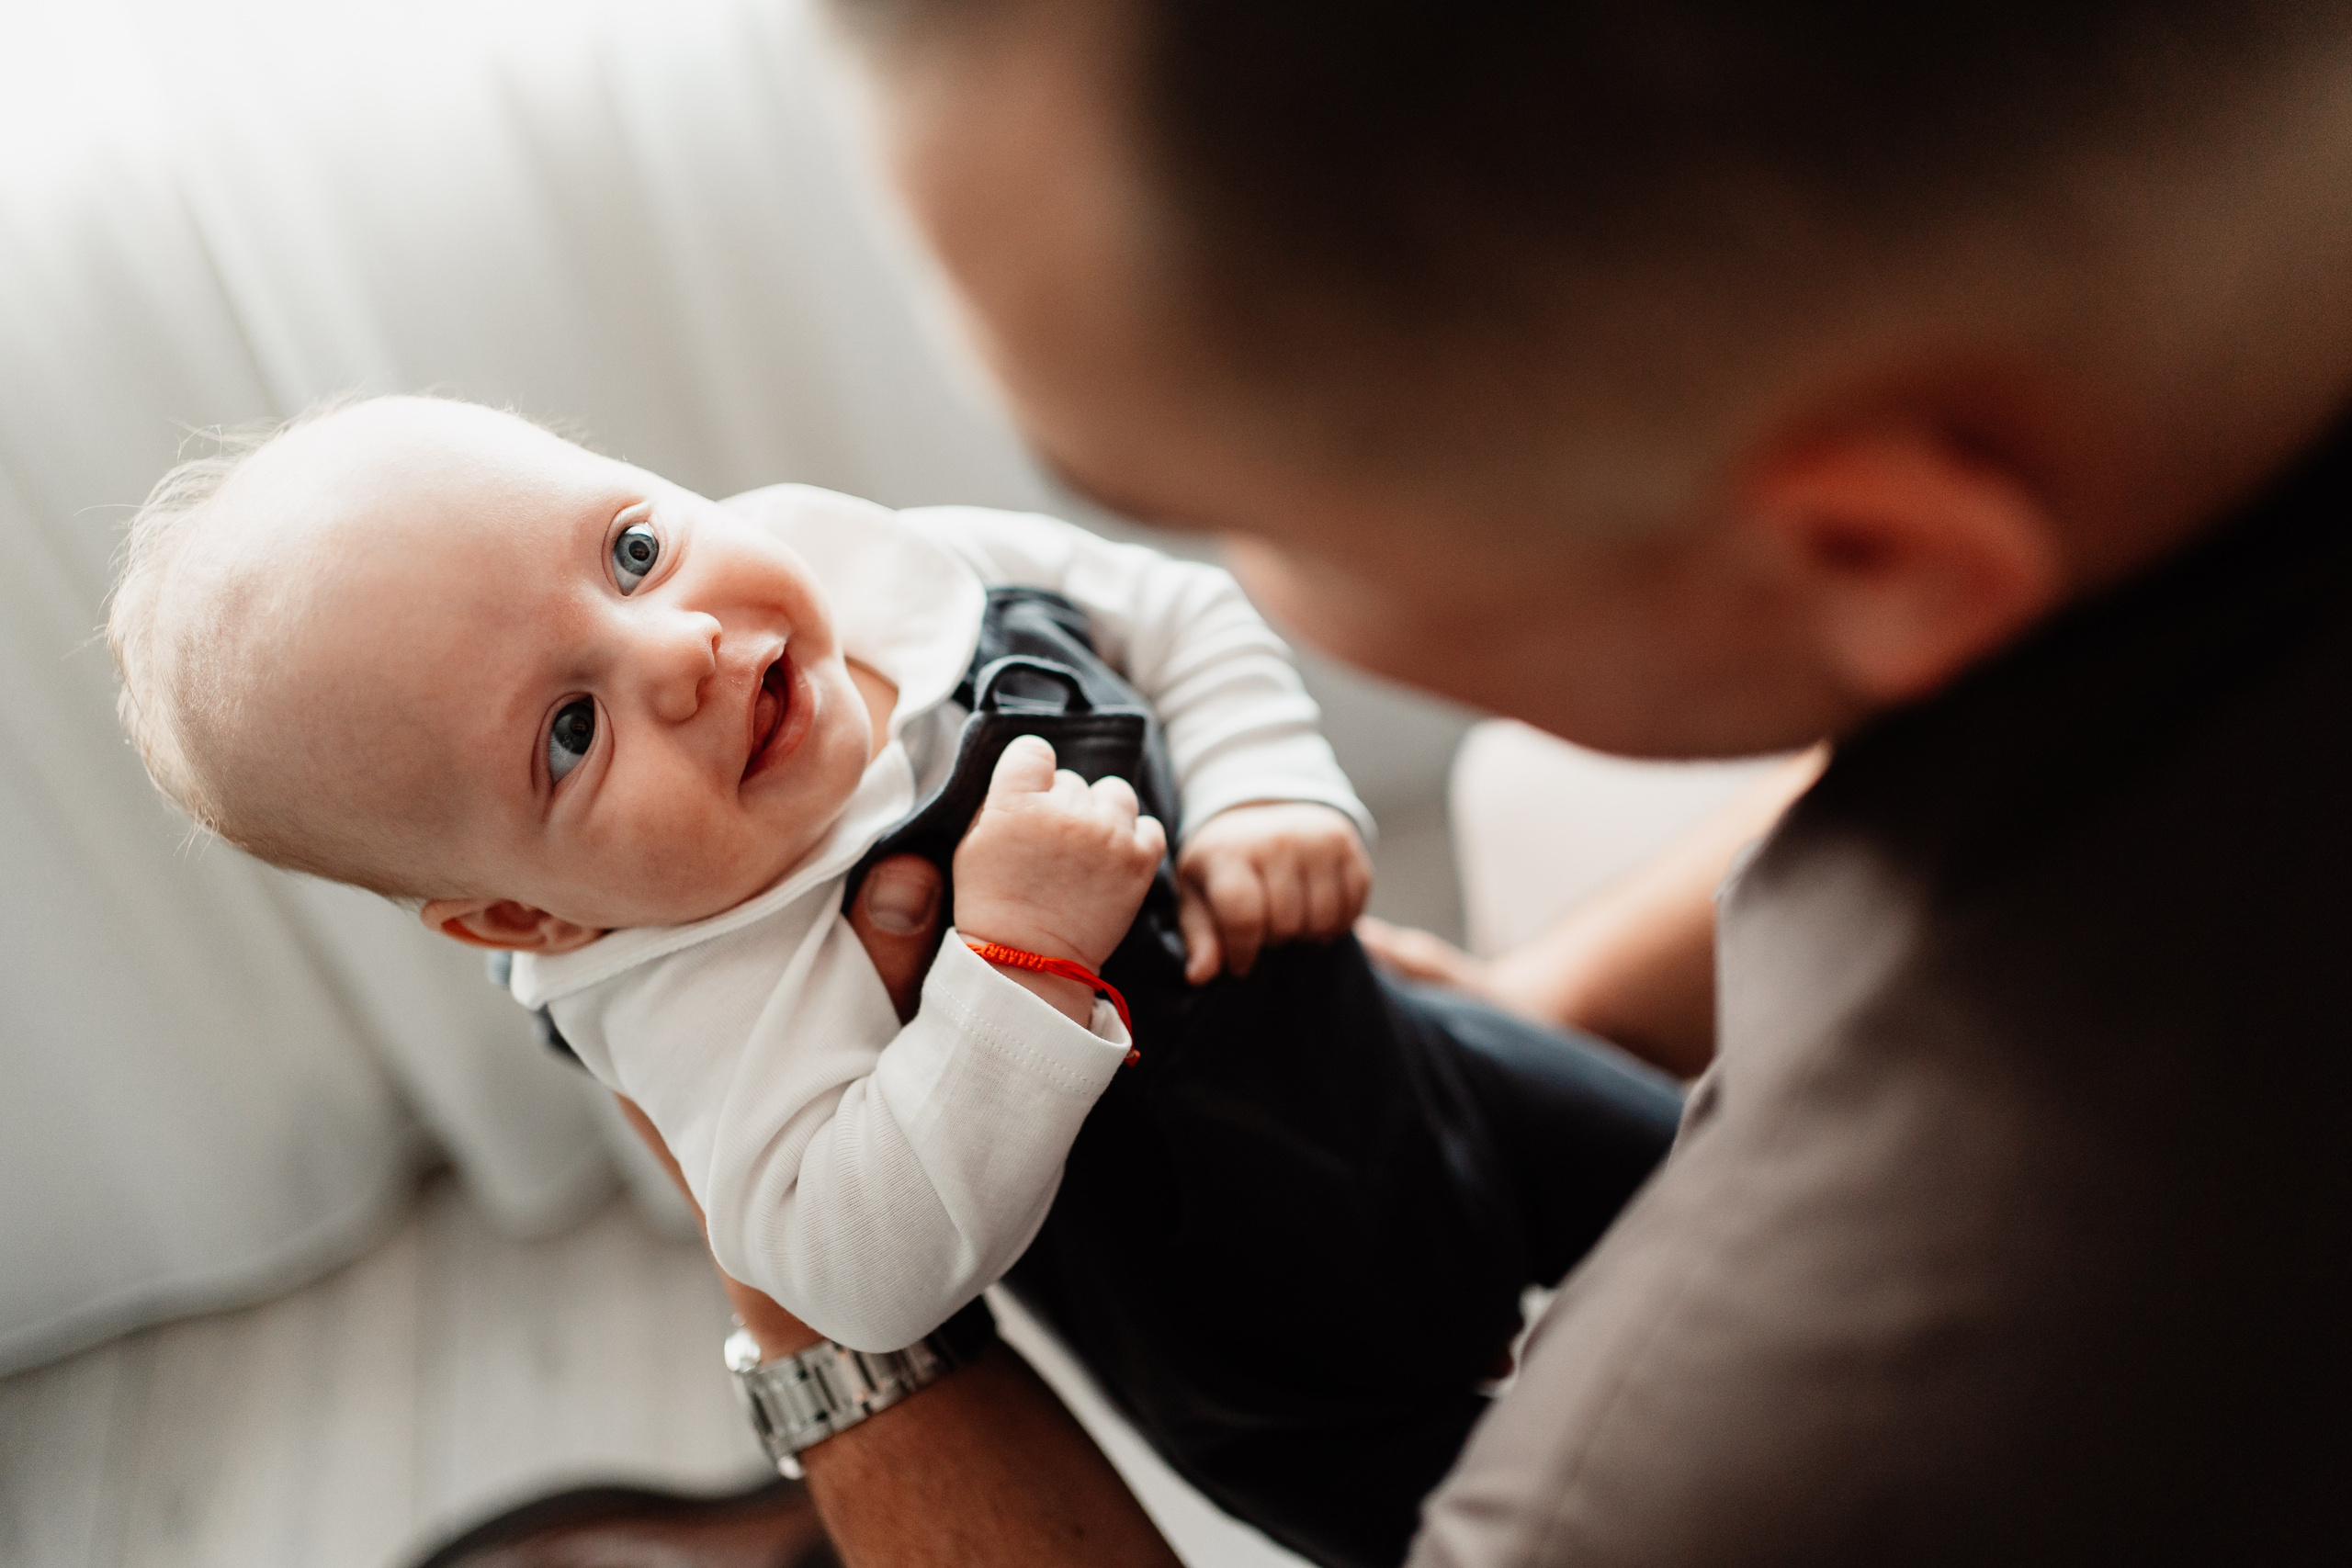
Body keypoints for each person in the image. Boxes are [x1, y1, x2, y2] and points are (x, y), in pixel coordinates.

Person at [616, 0, 2339, 1562]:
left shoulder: (1661, 1493)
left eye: (1248, 516)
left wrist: (814, 1325)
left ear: (1872, 554)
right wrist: (1493, 1031)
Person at [106, 394, 1679, 1568]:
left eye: (632, 548)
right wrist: (1010, 959)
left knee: (1727, 1172)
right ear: (523, 913)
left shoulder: (881, 568)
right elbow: (849, 1273)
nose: (677, 650)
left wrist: (1273, 796)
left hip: (1428, 1065)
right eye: (569, 732)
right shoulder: (689, 985)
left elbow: (1173, 615)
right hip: (1271, 1357)